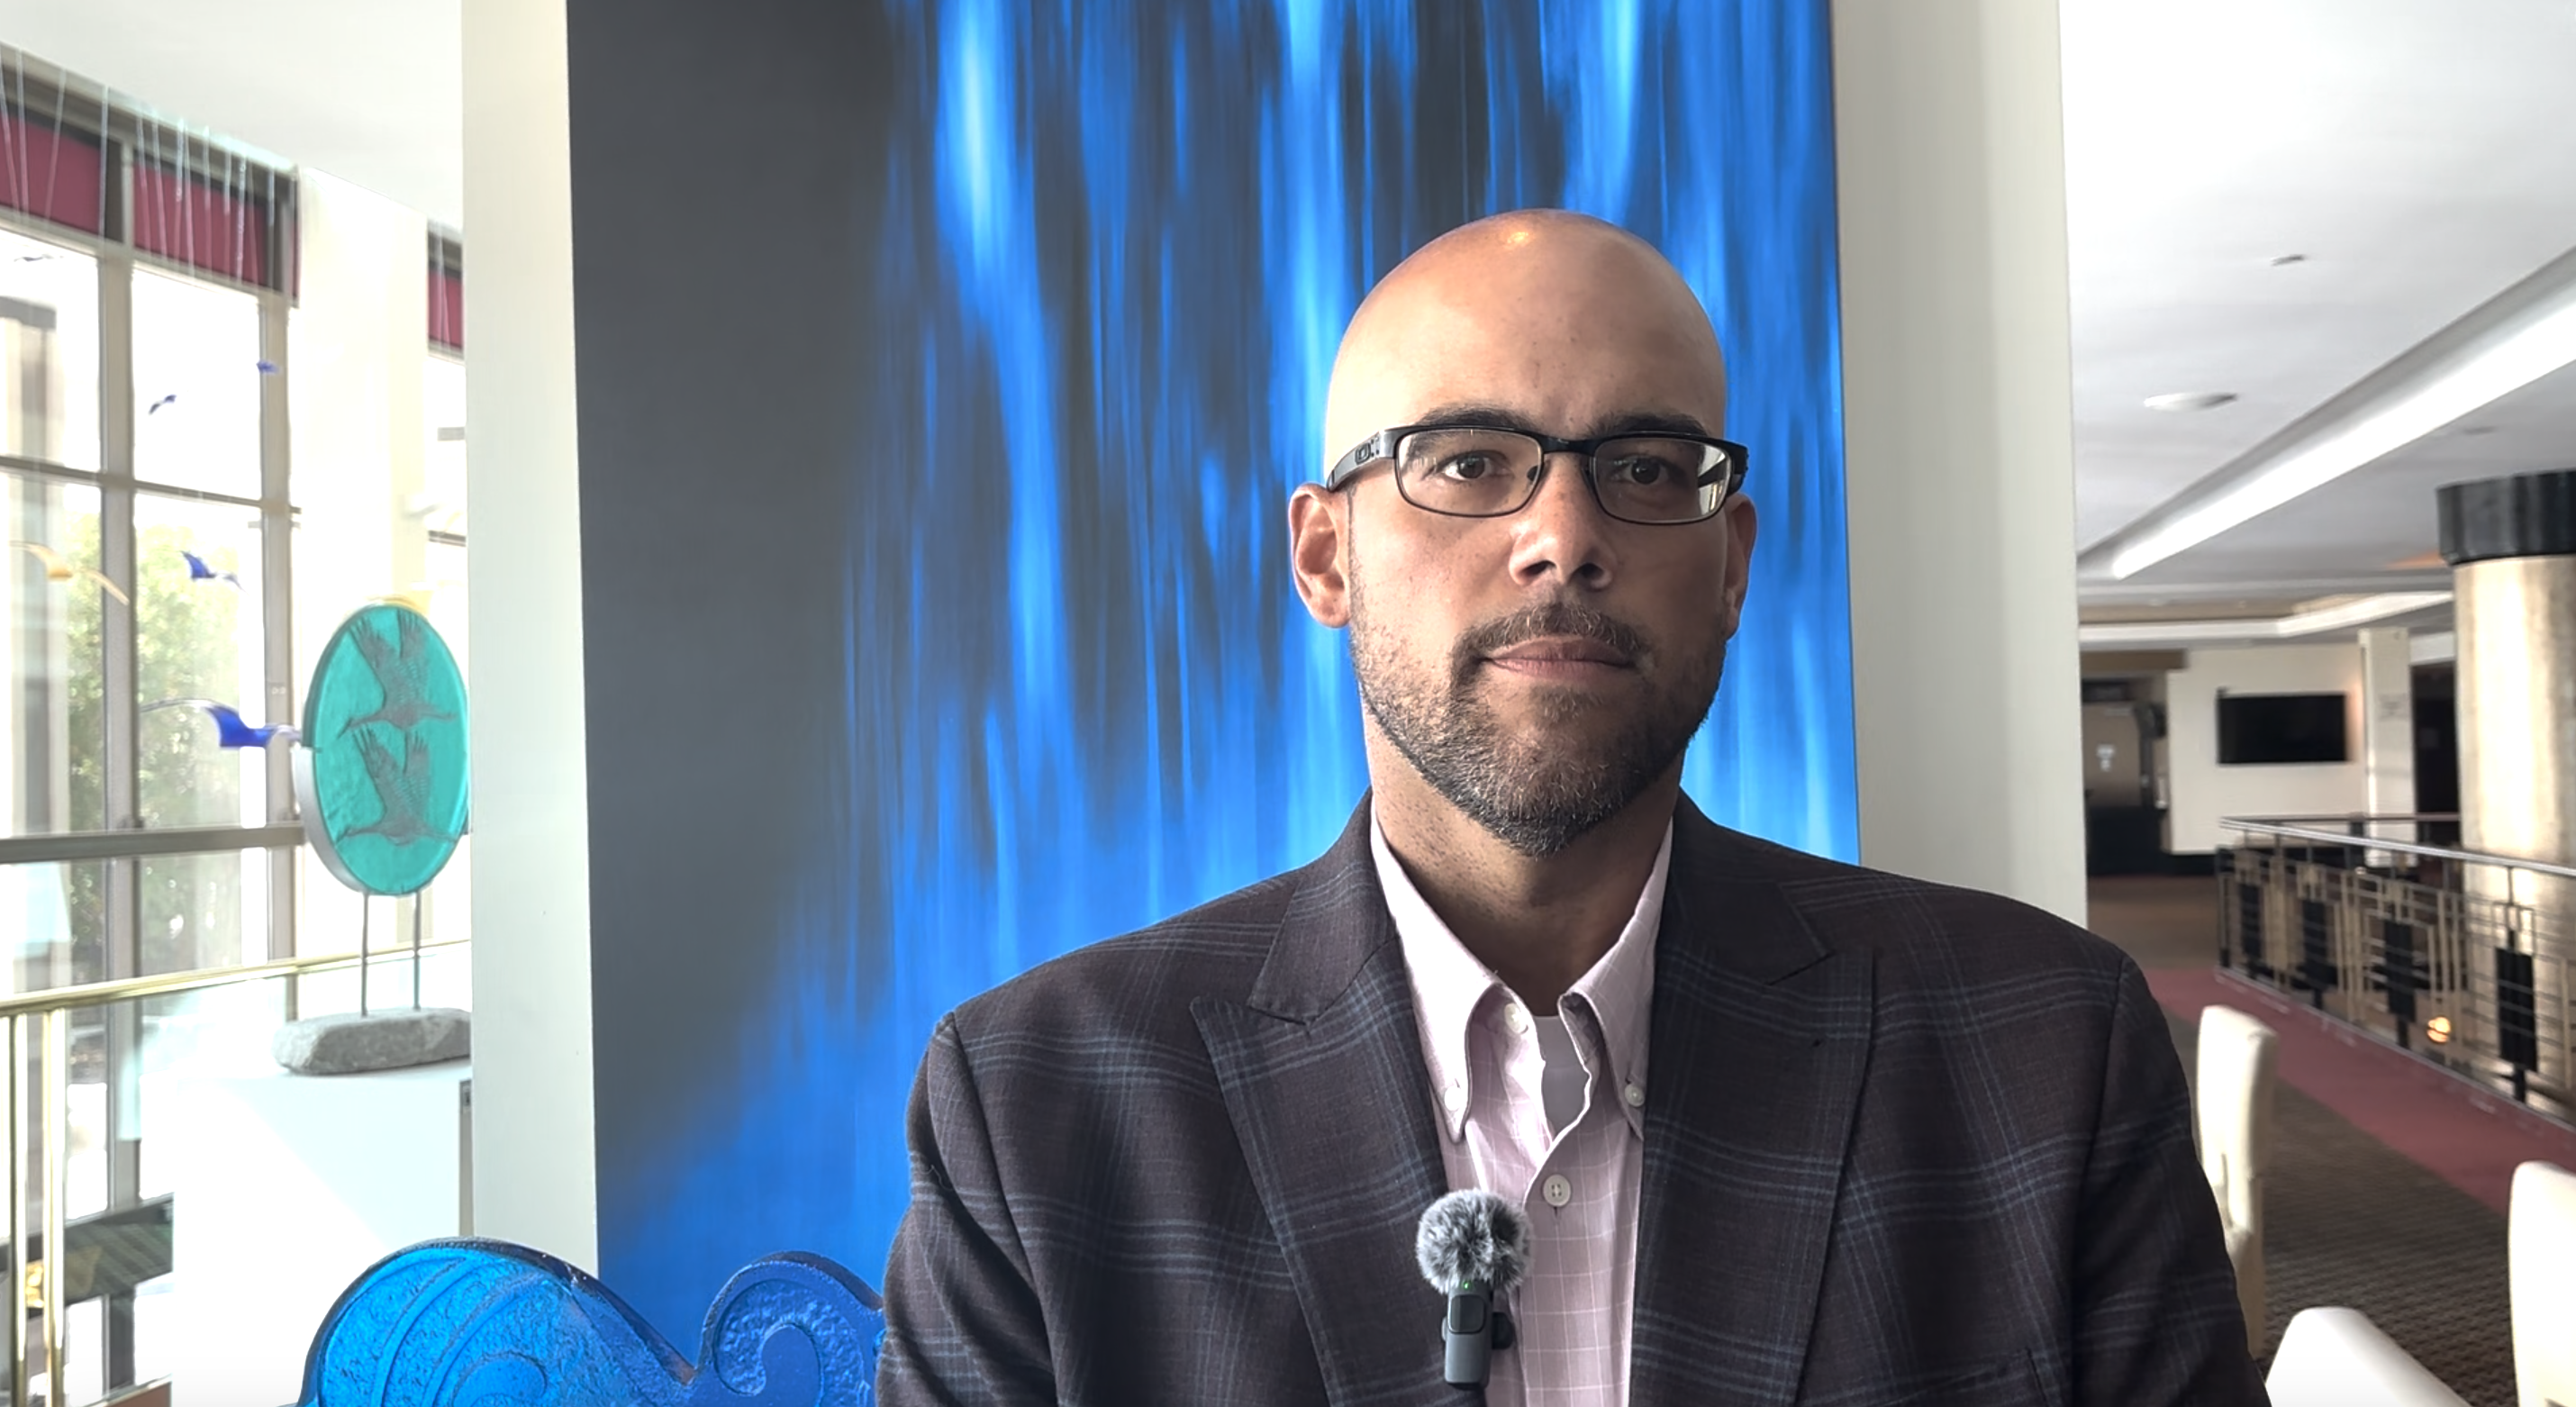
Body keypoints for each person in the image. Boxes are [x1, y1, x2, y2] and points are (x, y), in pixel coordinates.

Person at [877, 211, 2263, 1406]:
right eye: (1468, 461)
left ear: (1730, 565)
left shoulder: (2045, 1048)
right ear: (1325, 554)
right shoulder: (1039, 1104)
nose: (1565, 535)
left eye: (1647, 468)